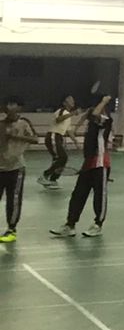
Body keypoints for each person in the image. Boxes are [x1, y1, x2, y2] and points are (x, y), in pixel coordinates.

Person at [50, 95, 112, 239]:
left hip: (101, 164)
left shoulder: (105, 120)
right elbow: (88, 116)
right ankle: (70, 225)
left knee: (99, 196)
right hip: (88, 164)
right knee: (78, 195)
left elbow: (95, 114)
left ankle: (98, 225)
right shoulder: (91, 123)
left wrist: (104, 101)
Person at [1, 97, 37, 243]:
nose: (9, 107)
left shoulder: (24, 123)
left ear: (19, 107)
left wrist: (15, 136)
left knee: (14, 200)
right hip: (0, 167)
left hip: (16, 168)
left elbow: (35, 139)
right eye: (7, 104)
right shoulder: (1, 124)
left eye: (12, 104)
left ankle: (11, 230)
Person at [43, 94, 79, 188]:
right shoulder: (61, 111)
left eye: (73, 100)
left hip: (58, 138)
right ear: (64, 103)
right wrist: (73, 113)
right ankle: (45, 175)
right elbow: (58, 119)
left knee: (58, 160)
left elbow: (69, 131)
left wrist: (75, 141)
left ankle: (52, 180)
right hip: (53, 136)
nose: (72, 101)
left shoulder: (67, 115)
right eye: (70, 100)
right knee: (63, 158)